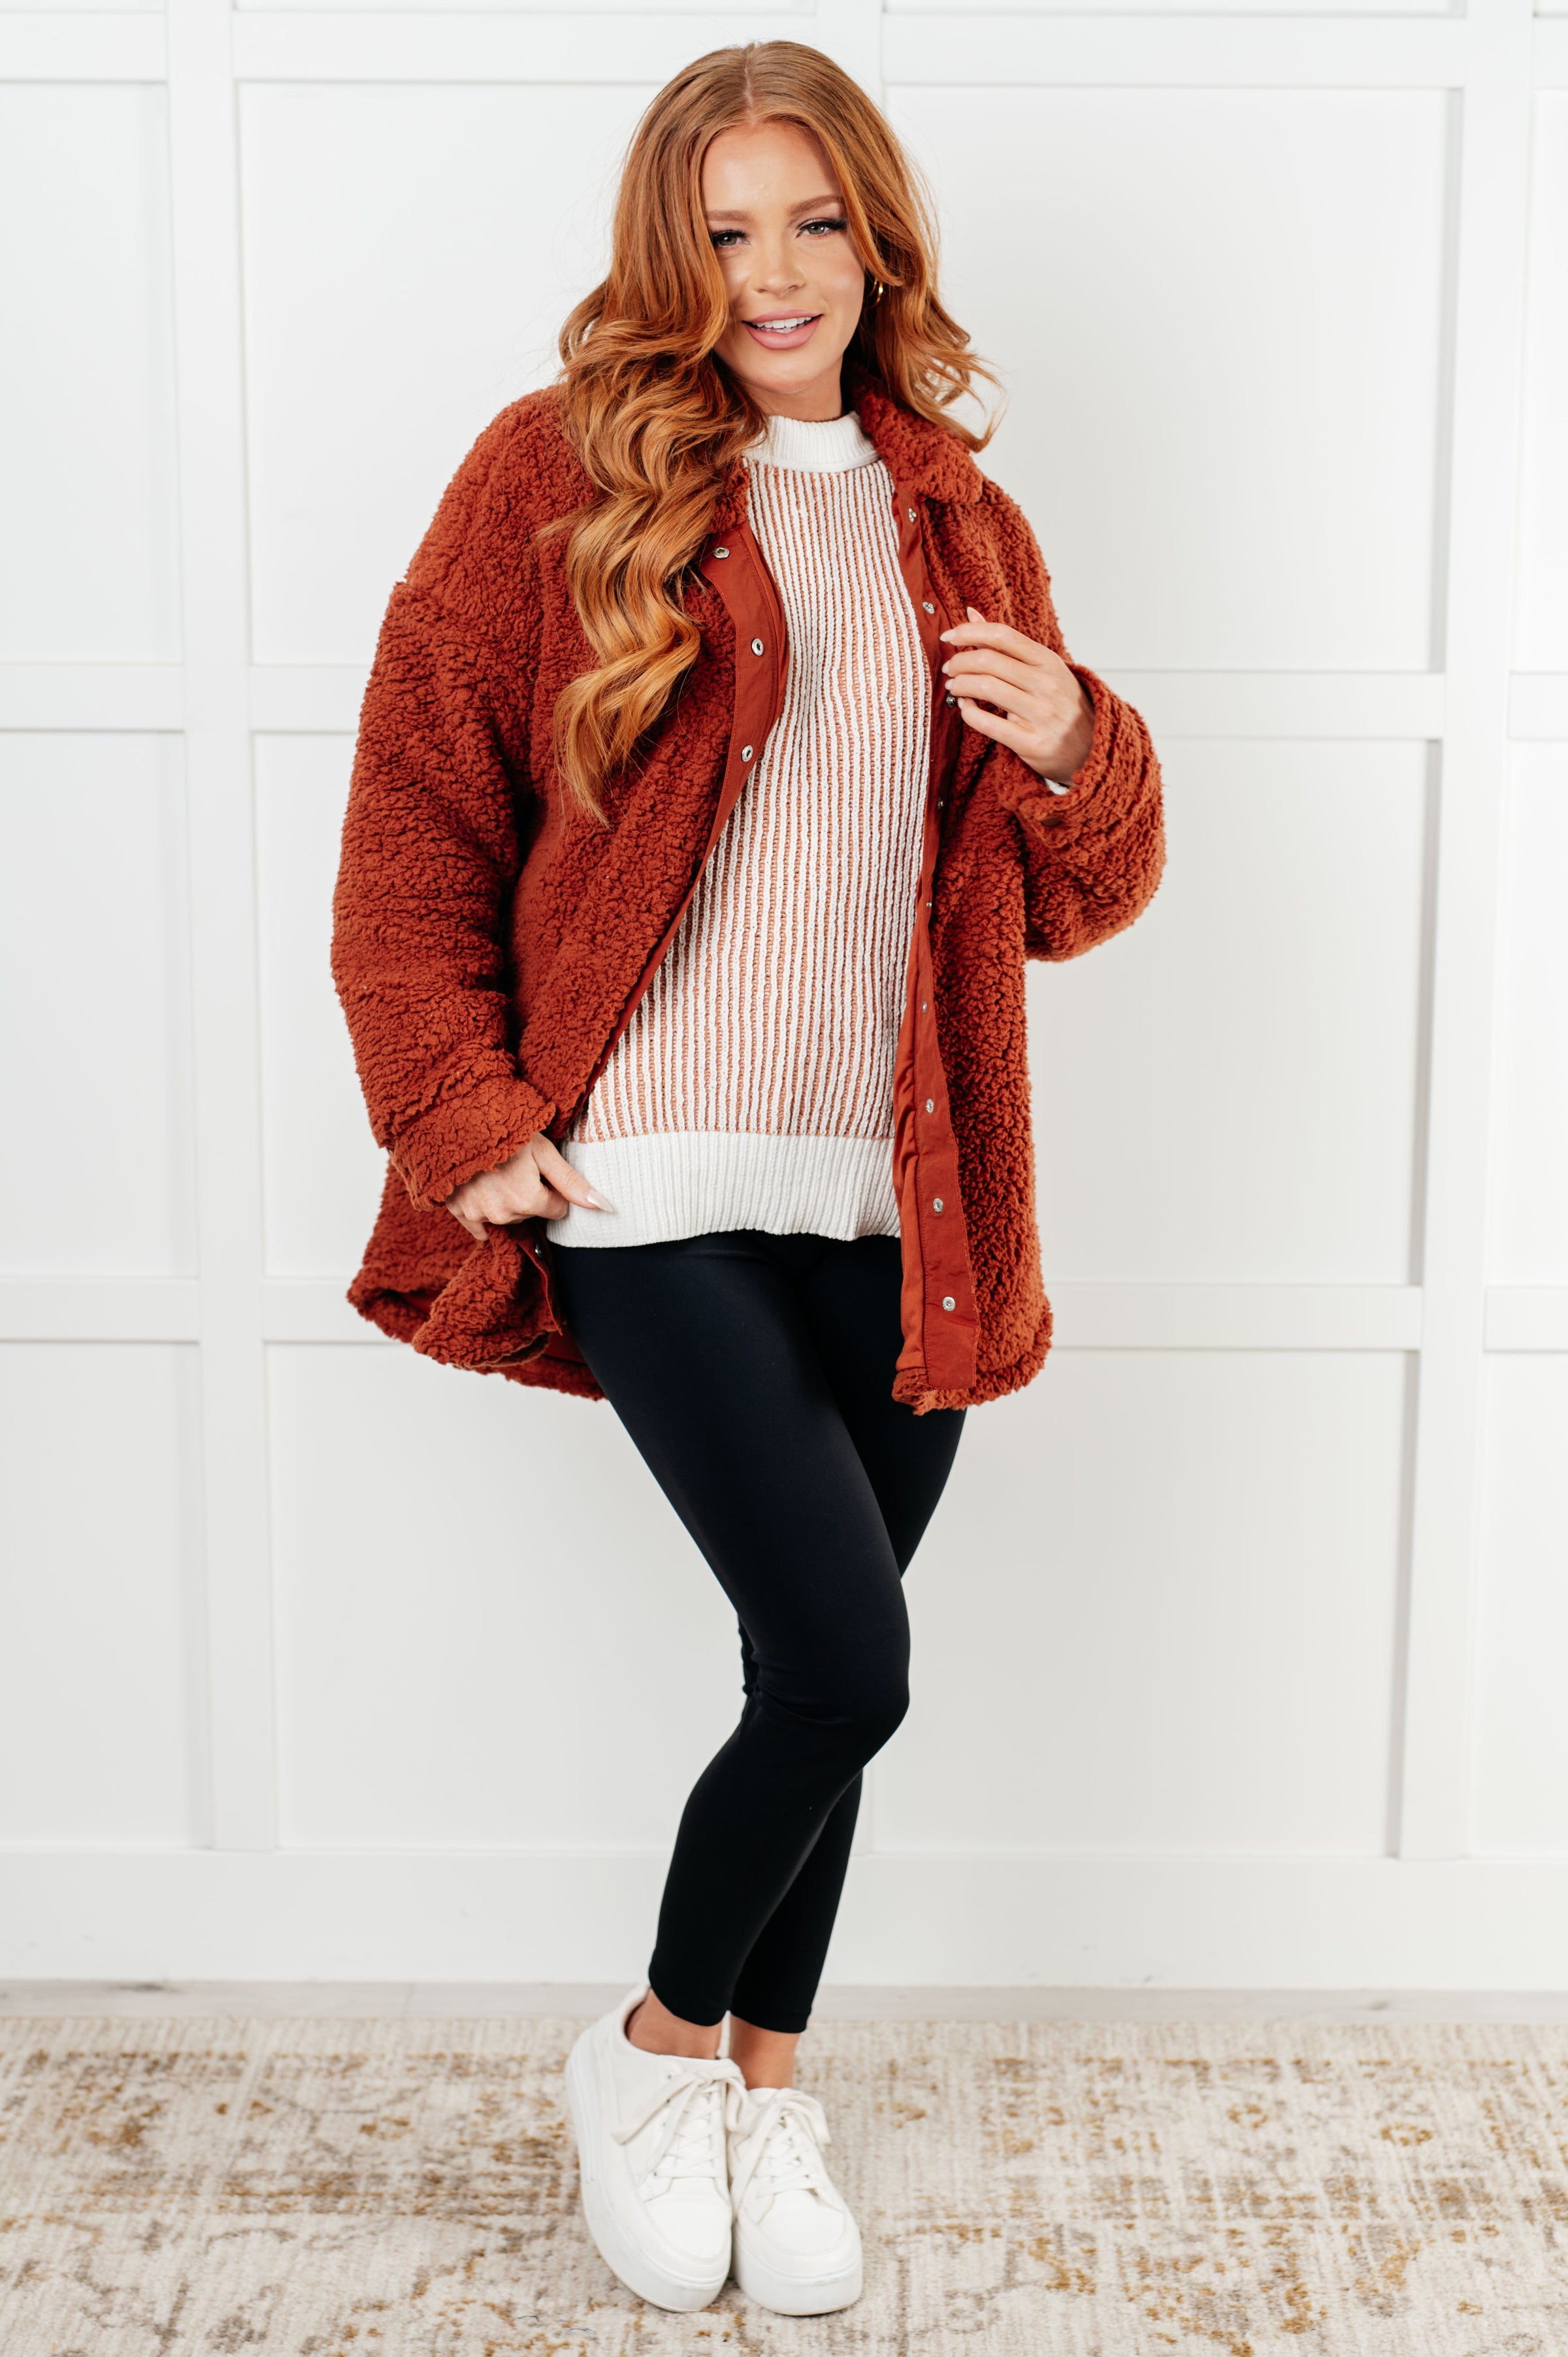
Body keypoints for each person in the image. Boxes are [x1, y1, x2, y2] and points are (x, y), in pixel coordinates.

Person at [331, 37, 1165, 2319]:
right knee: (845, 1659)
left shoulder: (964, 521)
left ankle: (765, 2100)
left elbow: (1072, 900)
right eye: (724, 233)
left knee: (808, 1672)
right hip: (643, 1182)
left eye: (815, 224)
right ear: (665, 256)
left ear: (877, 240)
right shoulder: (551, 475)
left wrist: (1087, 747)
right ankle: (646, 2057)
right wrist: (458, 1107)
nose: (775, 273)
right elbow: (415, 816)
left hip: (901, 1200)